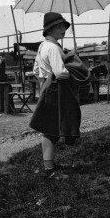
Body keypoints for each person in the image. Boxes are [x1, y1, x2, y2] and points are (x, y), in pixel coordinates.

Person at [28, 13, 84, 178]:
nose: (64, 30)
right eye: (60, 27)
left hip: (47, 87)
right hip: (56, 89)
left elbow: (36, 70)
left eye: (65, 27)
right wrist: (72, 69)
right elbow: (60, 73)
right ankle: (50, 171)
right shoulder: (53, 48)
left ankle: (49, 166)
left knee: (49, 129)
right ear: (49, 29)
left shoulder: (44, 46)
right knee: (51, 130)